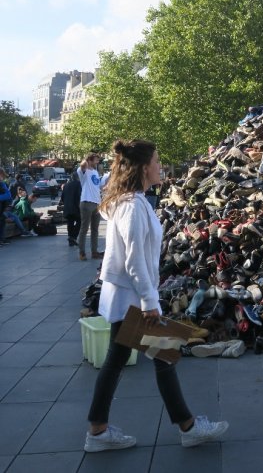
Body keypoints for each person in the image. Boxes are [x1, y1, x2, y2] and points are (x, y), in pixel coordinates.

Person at [85, 139, 228, 453]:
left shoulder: (129, 201)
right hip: (134, 300)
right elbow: (135, 260)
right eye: (157, 160)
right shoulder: (134, 206)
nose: (161, 165)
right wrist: (150, 303)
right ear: (143, 168)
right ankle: (188, 427)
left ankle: (98, 430)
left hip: (126, 296)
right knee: (163, 357)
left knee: (123, 360)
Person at [77, 153, 104, 261]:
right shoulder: (83, 171)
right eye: (96, 160)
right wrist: (87, 159)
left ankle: (94, 251)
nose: (97, 162)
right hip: (87, 202)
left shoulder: (95, 172)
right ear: (90, 160)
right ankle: (82, 253)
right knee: (84, 229)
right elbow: (83, 165)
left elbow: (98, 186)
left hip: (96, 203)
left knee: (95, 229)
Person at [0, 168, 34, 243]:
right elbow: (7, 195)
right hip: (6, 207)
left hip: (4, 207)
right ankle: (23, 231)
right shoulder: (19, 185)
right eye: (2, 176)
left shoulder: (8, 184)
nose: (3, 178)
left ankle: (2, 239)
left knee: (3, 222)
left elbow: (8, 195)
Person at [61, 171, 82, 246]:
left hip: (67, 207)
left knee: (70, 223)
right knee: (79, 222)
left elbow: (62, 198)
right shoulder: (78, 184)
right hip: (76, 207)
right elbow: (80, 196)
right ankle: (73, 237)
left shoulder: (66, 185)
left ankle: (70, 239)